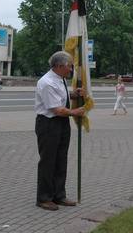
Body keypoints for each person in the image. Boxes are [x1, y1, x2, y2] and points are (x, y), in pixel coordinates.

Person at [35, 51, 85, 211]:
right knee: (48, 161)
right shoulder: (47, 82)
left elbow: (60, 96)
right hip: (49, 124)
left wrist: (73, 94)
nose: (71, 70)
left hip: (61, 123)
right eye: (69, 66)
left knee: (60, 160)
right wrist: (75, 112)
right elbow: (56, 109)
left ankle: (59, 195)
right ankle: (44, 198)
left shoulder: (59, 79)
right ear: (58, 66)